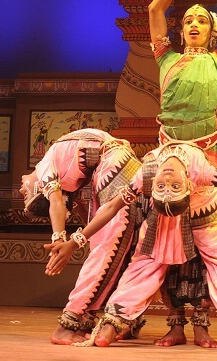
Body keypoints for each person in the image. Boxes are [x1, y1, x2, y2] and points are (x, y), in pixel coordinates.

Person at [46, 141, 217, 353]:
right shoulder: (147, 176)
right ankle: (109, 328)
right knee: (147, 265)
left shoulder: (196, 170)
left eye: (171, 184)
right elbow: (111, 208)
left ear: (189, 185)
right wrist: (74, 240)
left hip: (205, 215)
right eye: (165, 184)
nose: (166, 178)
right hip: (165, 219)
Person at [147, 0, 217, 348]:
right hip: (169, 152)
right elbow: (154, 9)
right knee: (167, 236)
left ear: (213, 30)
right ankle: (174, 322)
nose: (193, 24)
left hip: (205, 152)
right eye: (188, 19)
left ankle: (202, 322)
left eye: (202, 20)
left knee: (205, 239)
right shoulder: (166, 58)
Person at [19, 128, 145, 345]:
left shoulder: (45, 166)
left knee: (113, 246)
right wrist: (76, 241)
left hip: (116, 161)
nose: (22, 190)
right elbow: (82, 214)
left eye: (24, 192)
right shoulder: (73, 178)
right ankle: (111, 320)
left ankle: (73, 322)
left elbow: (57, 201)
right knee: (122, 245)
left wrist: (61, 241)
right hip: (119, 163)